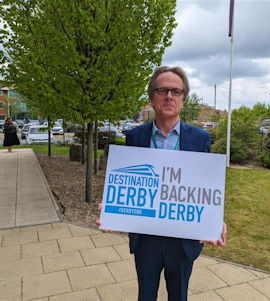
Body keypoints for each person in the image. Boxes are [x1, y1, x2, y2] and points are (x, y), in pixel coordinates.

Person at [97, 66, 227, 301]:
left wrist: (214, 219)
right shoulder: (135, 137)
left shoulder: (200, 139)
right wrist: (111, 208)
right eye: (162, 90)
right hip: (146, 238)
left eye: (176, 91)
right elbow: (128, 180)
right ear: (152, 97)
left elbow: (205, 185)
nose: (169, 96)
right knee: (145, 296)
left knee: (178, 296)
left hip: (183, 238)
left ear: (183, 100)